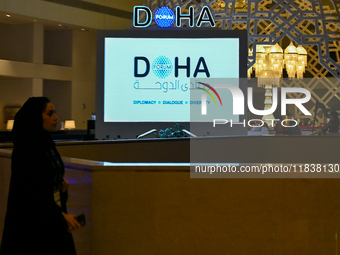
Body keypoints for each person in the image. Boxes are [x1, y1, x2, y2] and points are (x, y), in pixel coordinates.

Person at [0, 97, 81, 255]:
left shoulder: (46, 143)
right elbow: (31, 192)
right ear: (36, 117)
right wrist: (60, 216)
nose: (55, 118)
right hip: (33, 226)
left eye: (54, 113)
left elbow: (46, 184)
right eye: (50, 114)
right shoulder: (26, 149)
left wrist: (61, 188)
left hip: (52, 219)